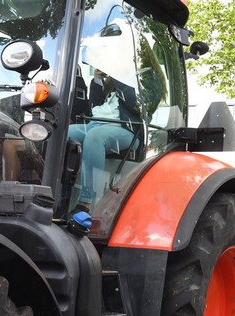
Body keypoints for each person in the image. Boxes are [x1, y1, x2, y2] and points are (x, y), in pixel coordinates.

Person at [68, 37, 166, 209]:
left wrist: (120, 76)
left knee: (95, 137)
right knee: (63, 133)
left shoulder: (151, 78)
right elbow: (95, 107)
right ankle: (57, 191)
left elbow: (138, 106)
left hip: (127, 130)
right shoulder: (112, 82)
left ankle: (86, 201)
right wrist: (97, 81)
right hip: (96, 124)